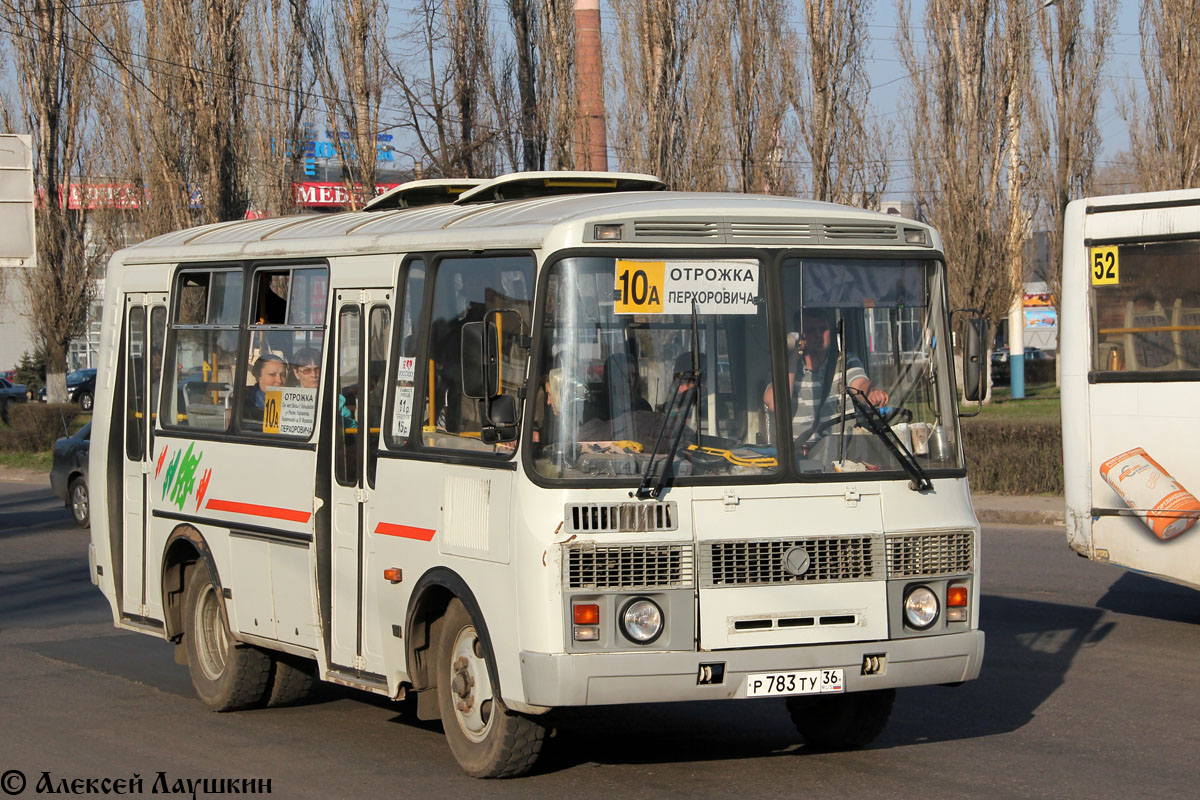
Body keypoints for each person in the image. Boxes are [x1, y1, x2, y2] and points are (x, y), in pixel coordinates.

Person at [763, 310, 888, 449]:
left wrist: (871, 394)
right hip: (800, 459)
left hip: (844, 454)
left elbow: (860, 383)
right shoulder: (787, 370)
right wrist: (791, 359)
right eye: (810, 331)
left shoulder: (845, 362)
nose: (818, 335)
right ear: (800, 337)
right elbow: (775, 403)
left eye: (823, 329)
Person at [243, 353, 287, 429]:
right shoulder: (244, 402)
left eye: (282, 375)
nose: (279, 380)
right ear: (258, 376)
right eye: (272, 374)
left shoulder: (292, 402)